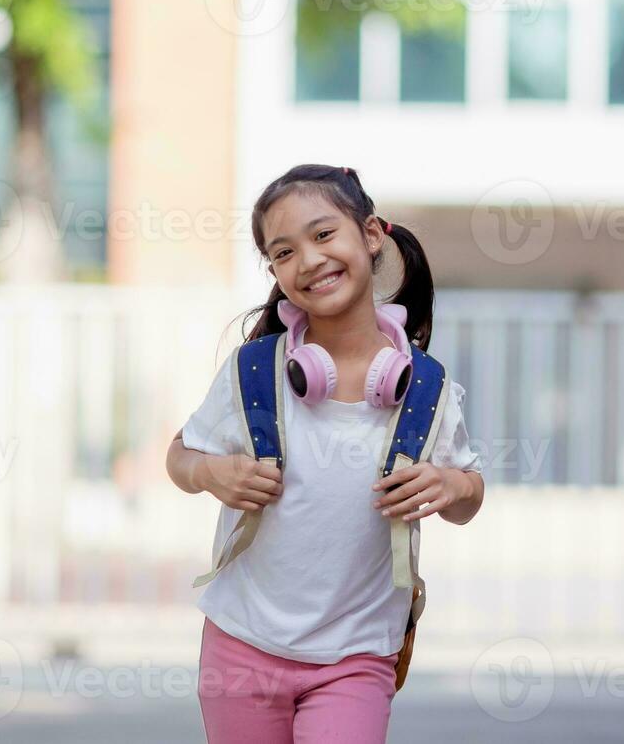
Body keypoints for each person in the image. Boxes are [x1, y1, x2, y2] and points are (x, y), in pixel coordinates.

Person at [165, 163, 485, 744]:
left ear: (370, 235)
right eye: (283, 253)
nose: (308, 261)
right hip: (242, 643)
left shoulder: (425, 390)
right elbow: (180, 455)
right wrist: (210, 473)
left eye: (322, 235)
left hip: (357, 654)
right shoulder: (255, 373)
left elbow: (469, 493)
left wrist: (453, 487)